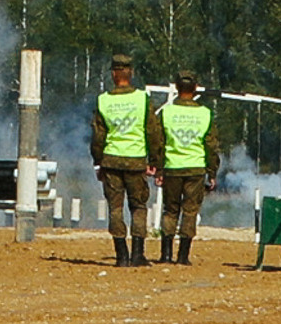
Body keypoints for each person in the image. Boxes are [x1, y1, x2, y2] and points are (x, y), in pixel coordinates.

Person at [90, 54, 160, 267]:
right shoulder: (142, 99)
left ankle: (121, 255)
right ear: (131, 73)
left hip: (111, 161)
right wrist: (155, 160)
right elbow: (153, 131)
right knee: (138, 206)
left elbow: (98, 136)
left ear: (113, 74)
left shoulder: (103, 100)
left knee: (115, 208)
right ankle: (138, 254)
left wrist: (98, 162)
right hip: (136, 160)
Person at [156, 70, 221, 264]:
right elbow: (211, 146)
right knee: (190, 211)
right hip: (196, 168)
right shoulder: (205, 114)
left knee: (170, 211)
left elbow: (159, 143)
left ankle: (166, 254)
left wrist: (158, 169)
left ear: (176, 87)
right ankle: (183, 256)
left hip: (172, 167)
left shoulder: (167, 112)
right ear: (195, 88)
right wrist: (212, 172)